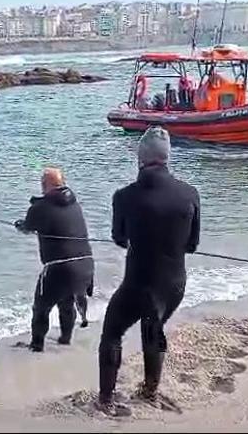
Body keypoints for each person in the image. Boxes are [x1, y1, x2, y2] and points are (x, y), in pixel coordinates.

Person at [96, 126, 200, 415]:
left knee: (112, 332)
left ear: (140, 159)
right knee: (154, 327)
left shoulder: (124, 196)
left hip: (138, 283)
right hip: (174, 285)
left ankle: (106, 399)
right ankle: (150, 391)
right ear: (167, 158)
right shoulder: (190, 194)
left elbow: (120, 238)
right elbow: (192, 245)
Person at [14, 168, 95, 352]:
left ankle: (36, 346)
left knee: (41, 307)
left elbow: (27, 227)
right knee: (67, 301)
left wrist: (20, 225)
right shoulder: (75, 203)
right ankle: (65, 339)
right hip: (86, 265)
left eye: (43, 183)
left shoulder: (40, 208)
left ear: (45, 185)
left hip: (59, 268)